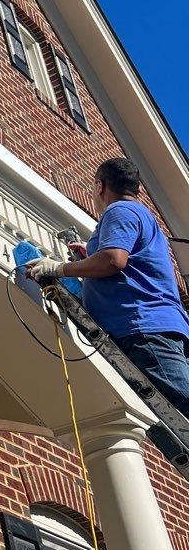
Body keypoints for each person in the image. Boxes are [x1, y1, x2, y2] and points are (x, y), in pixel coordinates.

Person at [26, 156, 189, 416]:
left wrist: (57, 268)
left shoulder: (119, 211)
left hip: (141, 327)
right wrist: (93, 252)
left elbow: (113, 260)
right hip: (158, 325)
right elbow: (126, 261)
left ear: (100, 186)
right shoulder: (141, 216)